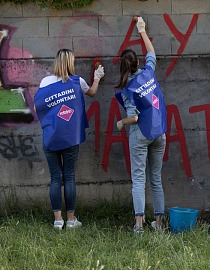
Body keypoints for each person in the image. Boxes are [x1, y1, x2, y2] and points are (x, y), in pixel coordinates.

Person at [34, 49, 105, 229]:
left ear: (57, 62)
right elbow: (92, 92)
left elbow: (37, 108)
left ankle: (58, 220)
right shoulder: (77, 81)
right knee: (69, 177)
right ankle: (71, 220)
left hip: (51, 137)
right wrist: (97, 77)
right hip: (70, 138)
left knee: (56, 178)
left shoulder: (45, 82)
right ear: (70, 63)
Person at [114, 16, 167, 233]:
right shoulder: (149, 72)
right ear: (138, 62)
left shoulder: (127, 91)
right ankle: (160, 223)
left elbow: (133, 117)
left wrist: (121, 123)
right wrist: (142, 30)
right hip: (159, 132)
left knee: (138, 180)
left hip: (140, 134)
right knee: (156, 179)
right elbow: (152, 54)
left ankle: (138, 224)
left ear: (124, 68)